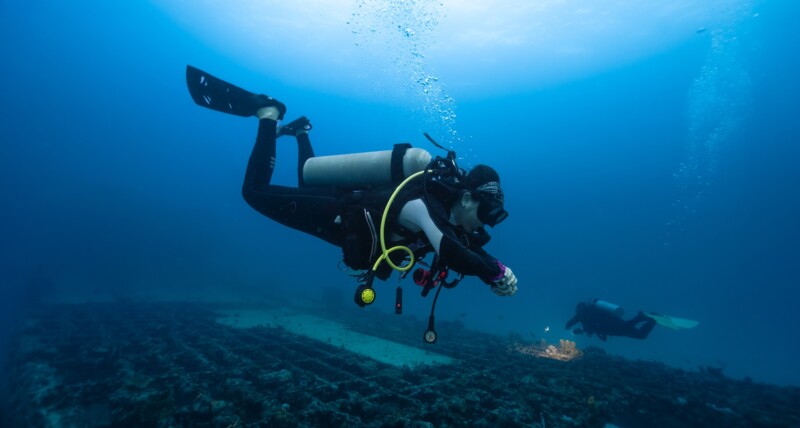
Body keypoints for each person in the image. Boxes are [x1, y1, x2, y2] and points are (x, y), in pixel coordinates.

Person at [186, 65, 518, 299]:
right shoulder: (424, 207)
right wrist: (494, 273)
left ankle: (301, 132)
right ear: (465, 198)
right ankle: (268, 114)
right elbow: (450, 250)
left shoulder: (450, 219)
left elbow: (465, 247)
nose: (484, 221)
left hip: (345, 212)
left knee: (306, 183)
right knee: (253, 192)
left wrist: (496, 267)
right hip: (338, 213)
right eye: (486, 210)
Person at [565, 299, 656, 341]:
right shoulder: (589, 313)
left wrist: (569, 329)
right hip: (614, 321)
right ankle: (652, 321)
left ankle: (640, 318)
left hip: (610, 327)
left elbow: (568, 325)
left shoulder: (580, 315)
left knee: (625, 330)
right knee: (641, 335)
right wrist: (580, 330)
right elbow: (590, 327)